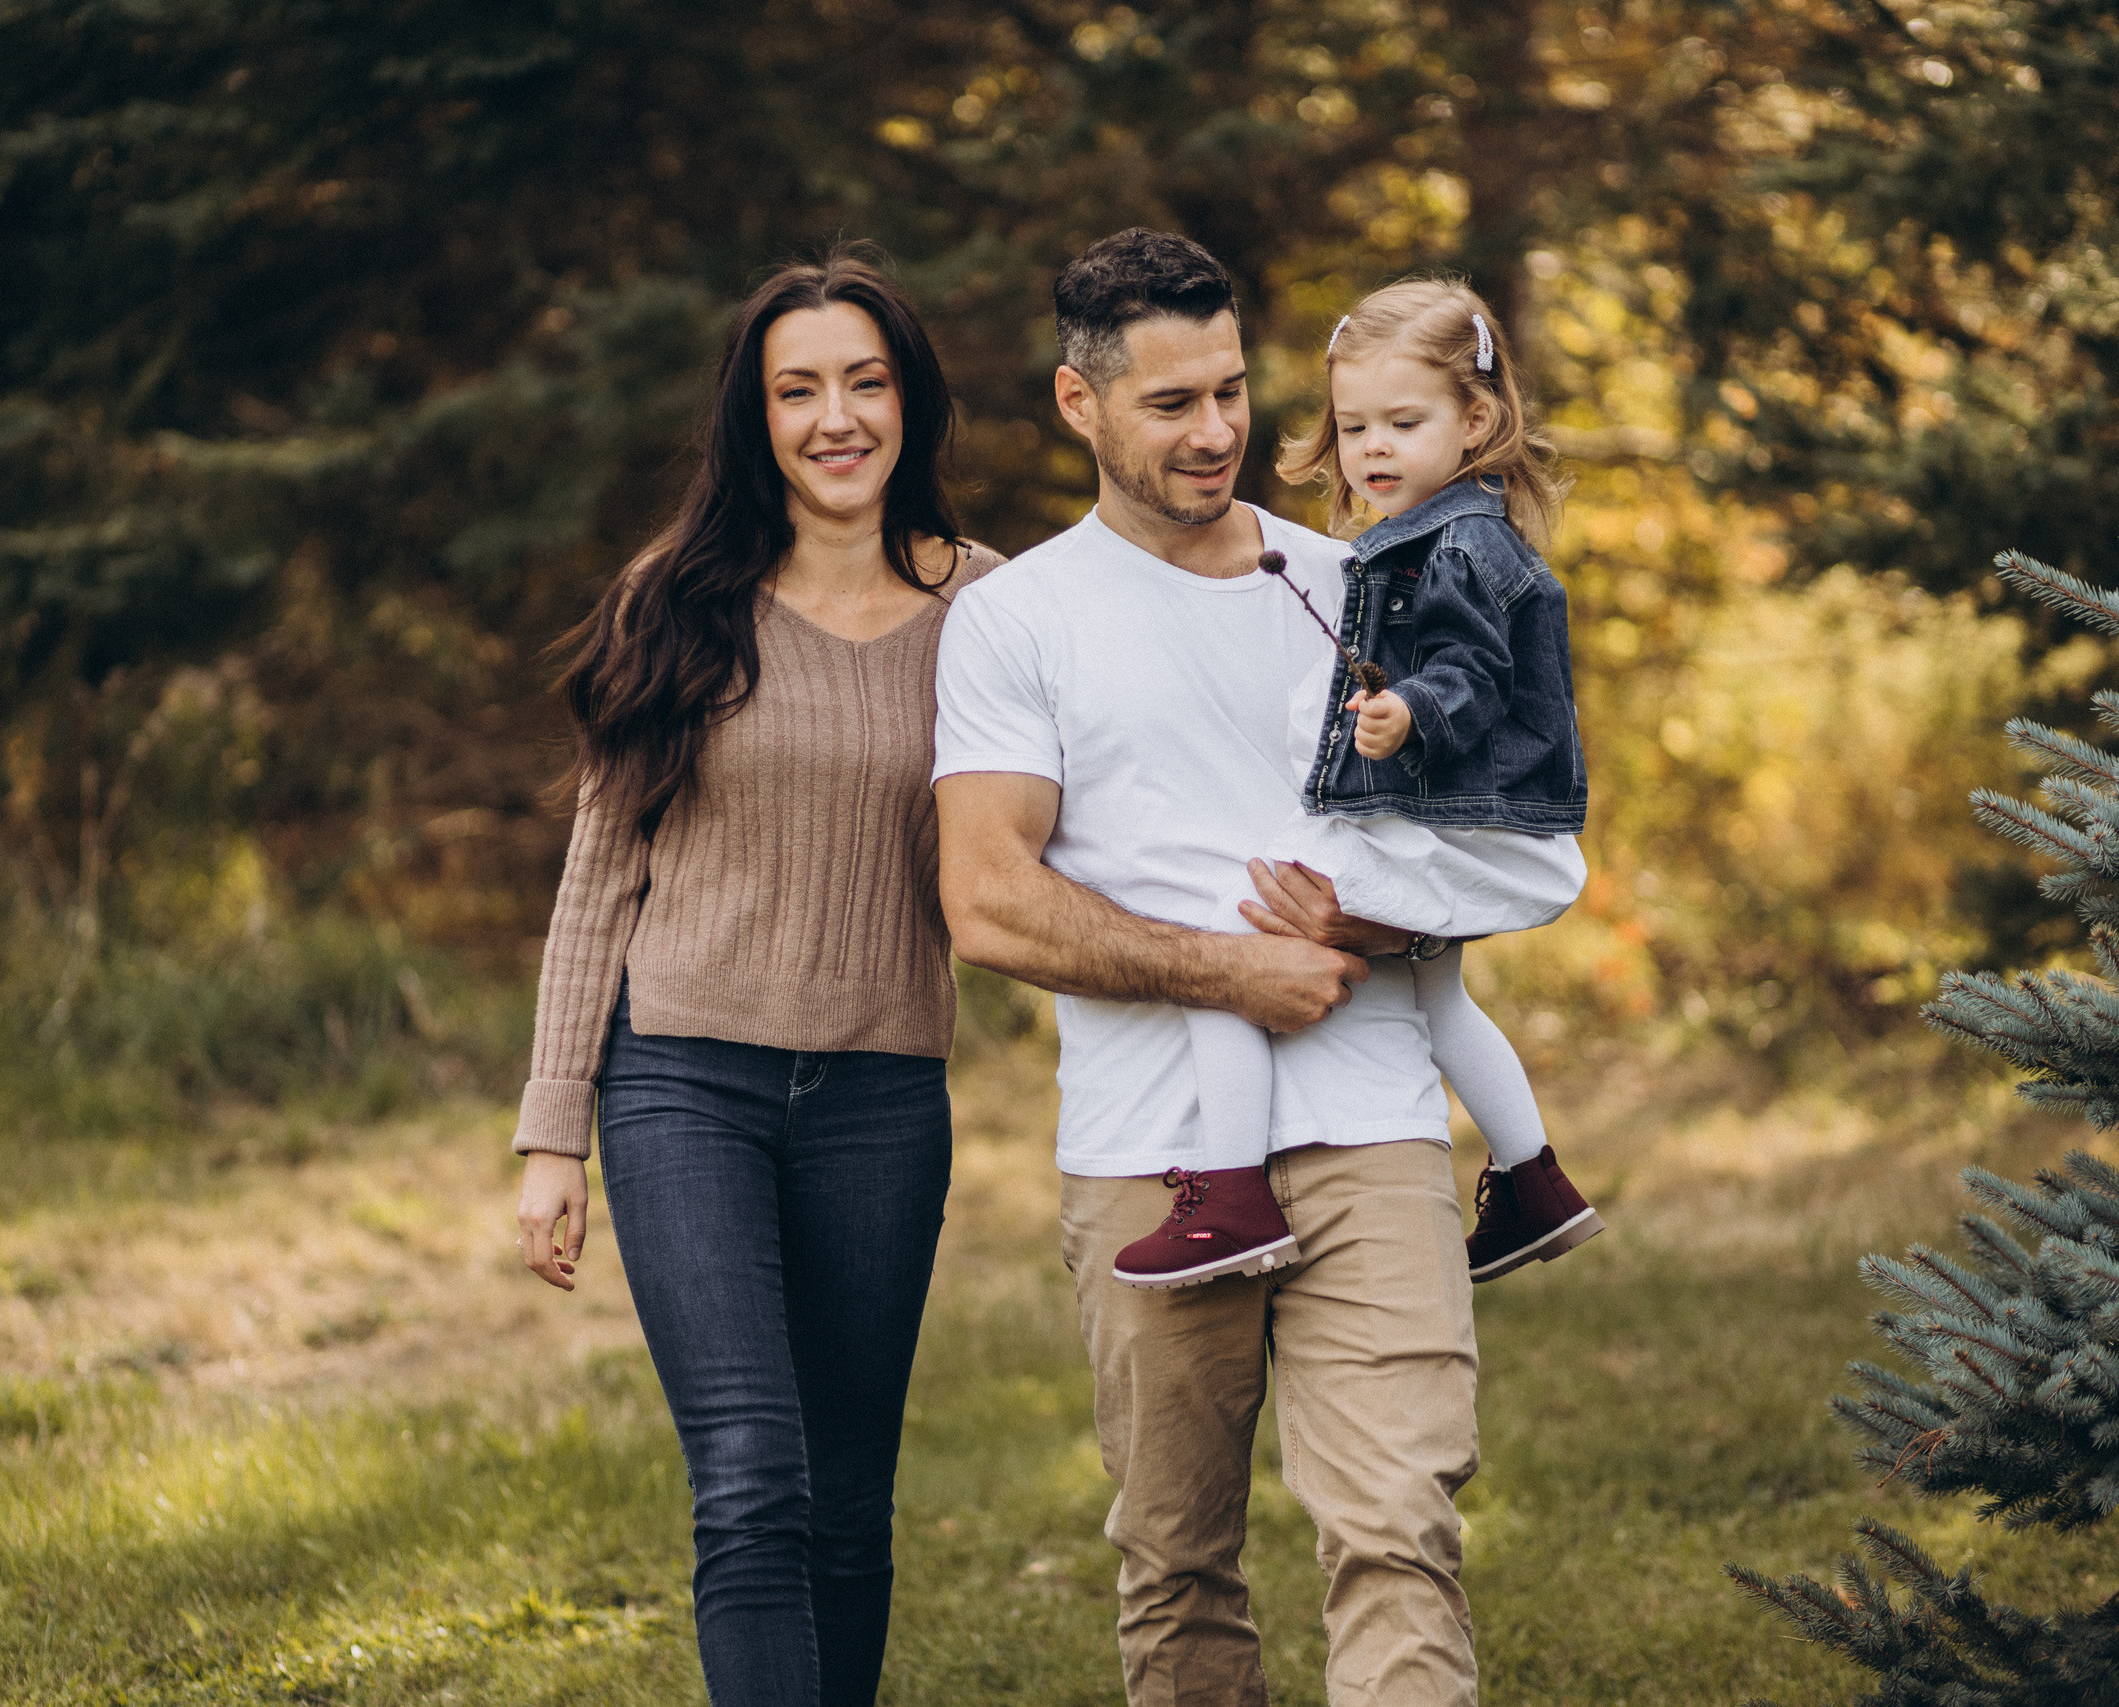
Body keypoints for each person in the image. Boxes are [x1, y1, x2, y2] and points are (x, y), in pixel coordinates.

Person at [932, 227, 1583, 1707]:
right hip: (1153, 1154)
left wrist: (1373, 927)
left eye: (1231, 388)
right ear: (1077, 402)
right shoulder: (1018, 617)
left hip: (1374, 1120)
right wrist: (1230, 971)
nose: (1218, 430)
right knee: (1177, 1562)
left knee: (1401, 1528)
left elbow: (1516, 834)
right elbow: (988, 901)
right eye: (1171, 403)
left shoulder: (1367, 577)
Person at [509, 247, 1001, 1707]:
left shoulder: (996, 608)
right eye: (799, 388)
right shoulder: (681, 598)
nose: (836, 416)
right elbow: (599, 876)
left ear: (908, 401)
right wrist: (551, 1130)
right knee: (753, 1472)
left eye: (865, 381)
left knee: (850, 1500)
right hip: (682, 1083)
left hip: (883, 1094)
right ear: (757, 415)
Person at [1109, 276, 1603, 1291]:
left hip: (1449, 821)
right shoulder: (1429, 536)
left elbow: (1471, 672)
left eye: (1402, 422)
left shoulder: (1455, 545)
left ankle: (1232, 1194)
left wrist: (1408, 711)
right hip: (1475, 822)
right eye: (1353, 425)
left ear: (1475, 420)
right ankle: (1534, 1182)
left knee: (1226, 937)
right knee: (1438, 995)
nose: (1372, 447)